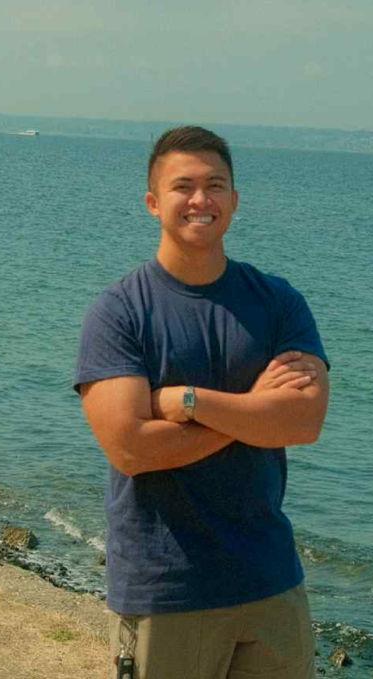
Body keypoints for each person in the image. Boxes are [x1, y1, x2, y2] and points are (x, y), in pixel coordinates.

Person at [74, 126, 330, 679]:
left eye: (215, 185)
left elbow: (305, 420)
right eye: (182, 186)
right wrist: (255, 412)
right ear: (152, 202)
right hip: (168, 590)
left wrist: (189, 401)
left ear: (234, 200)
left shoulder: (277, 301)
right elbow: (131, 449)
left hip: (272, 584)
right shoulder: (119, 312)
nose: (200, 200)